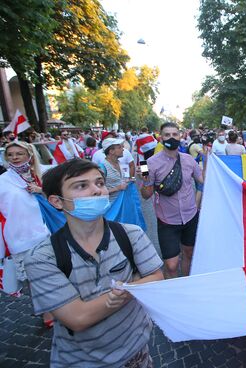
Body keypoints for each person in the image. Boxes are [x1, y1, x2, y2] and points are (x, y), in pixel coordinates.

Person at [25, 159, 164, 367]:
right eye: (81, 185)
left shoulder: (131, 234)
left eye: (100, 183)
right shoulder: (42, 257)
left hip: (139, 356)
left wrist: (116, 294)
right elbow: (78, 318)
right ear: (56, 201)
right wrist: (134, 285)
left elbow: (157, 280)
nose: (97, 191)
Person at [140, 122, 203, 278]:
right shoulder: (148, 164)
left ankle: (186, 286)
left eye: (175, 134)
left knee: (189, 253)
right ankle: (172, 292)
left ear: (180, 136)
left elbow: (202, 180)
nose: (171, 138)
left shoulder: (189, 160)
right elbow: (146, 195)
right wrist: (146, 181)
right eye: (167, 135)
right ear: (161, 138)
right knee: (171, 264)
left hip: (190, 216)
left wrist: (208, 159)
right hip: (167, 220)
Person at [0, 142, 52, 326]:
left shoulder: (40, 174)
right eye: (10, 154)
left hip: (45, 233)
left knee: (50, 274)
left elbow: (58, 195)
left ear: (29, 155)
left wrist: (41, 191)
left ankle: (56, 306)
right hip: (19, 237)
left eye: (19, 153)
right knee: (32, 279)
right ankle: (46, 312)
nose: (14, 157)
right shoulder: (3, 180)